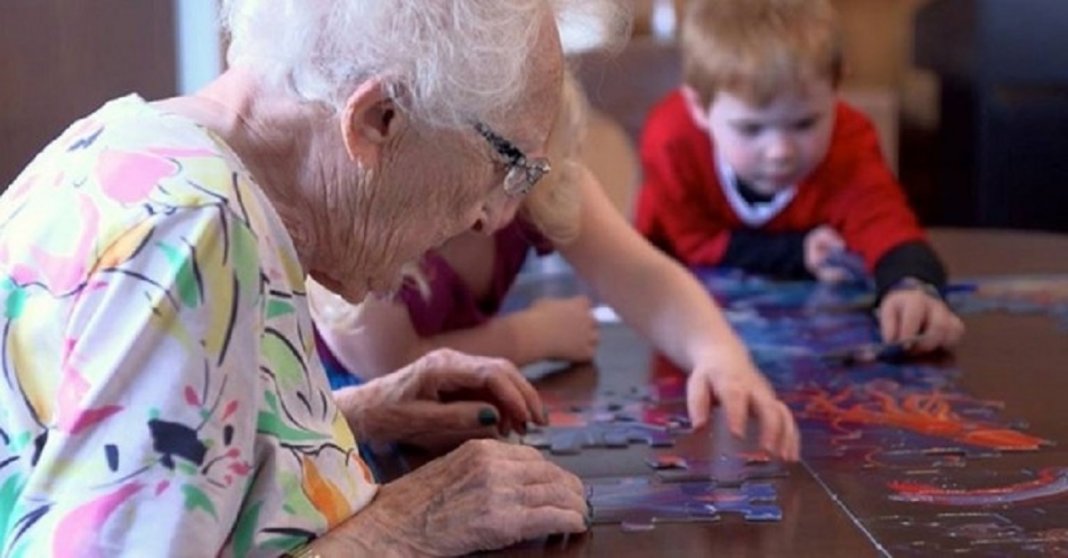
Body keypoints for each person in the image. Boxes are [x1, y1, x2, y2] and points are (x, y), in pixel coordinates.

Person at [0, 1, 630, 555]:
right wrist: (401, 530)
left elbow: (145, 464)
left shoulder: (125, 140)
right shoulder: (193, 228)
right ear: (378, 119)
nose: (490, 214)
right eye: (507, 162)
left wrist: (344, 417)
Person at [311, 72, 800, 462]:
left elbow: (648, 281)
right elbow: (392, 368)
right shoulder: (363, 203)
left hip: (463, 428)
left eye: (525, 167)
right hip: (336, 434)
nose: (501, 211)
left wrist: (719, 354)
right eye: (496, 166)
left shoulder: (536, 174)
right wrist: (532, 336)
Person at [634, 0, 965, 352]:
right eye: (750, 128)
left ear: (837, 91)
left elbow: (887, 224)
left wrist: (912, 285)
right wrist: (796, 252)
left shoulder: (849, 140)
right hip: (677, 327)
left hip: (809, 341)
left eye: (805, 123)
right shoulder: (671, 140)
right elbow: (693, 241)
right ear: (699, 108)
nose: (780, 150)